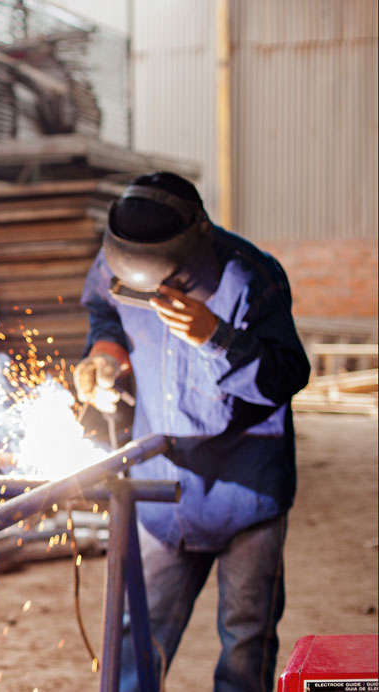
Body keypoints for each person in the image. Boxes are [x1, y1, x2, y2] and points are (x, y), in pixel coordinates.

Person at [75, 172, 309, 692]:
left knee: (246, 642)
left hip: (245, 489)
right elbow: (103, 313)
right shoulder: (115, 262)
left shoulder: (248, 278)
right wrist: (105, 354)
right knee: (139, 641)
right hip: (163, 488)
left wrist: (217, 337)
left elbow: (287, 376)